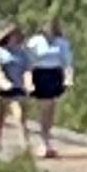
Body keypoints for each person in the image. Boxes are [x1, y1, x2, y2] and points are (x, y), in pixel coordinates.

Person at [24, 21, 75, 163]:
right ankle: (44, 140)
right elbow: (27, 62)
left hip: (54, 74)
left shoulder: (62, 43)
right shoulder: (35, 42)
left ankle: (47, 138)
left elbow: (67, 62)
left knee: (51, 108)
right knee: (44, 107)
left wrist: (68, 79)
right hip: (40, 74)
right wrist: (28, 81)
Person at [0, 23, 30, 152]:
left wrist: (29, 83)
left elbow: (27, 69)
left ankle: (24, 145)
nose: (16, 38)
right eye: (13, 35)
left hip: (17, 87)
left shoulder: (21, 53)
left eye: (17, 35)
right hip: (3, 88)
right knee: (0, 117)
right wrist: (3, 79)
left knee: (20, 116)